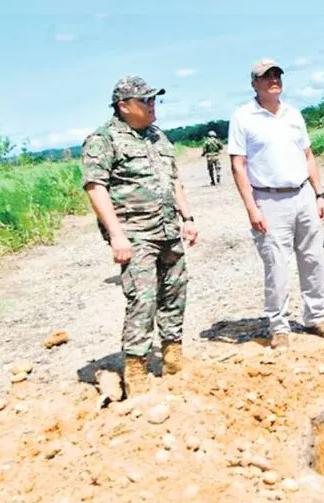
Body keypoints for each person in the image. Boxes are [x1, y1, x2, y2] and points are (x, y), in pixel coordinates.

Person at [80, 75, 198, 396]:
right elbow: (95, 186)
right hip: (136, 233)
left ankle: (172, 355)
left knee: (175, 291)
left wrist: (187, 217)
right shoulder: (104, 139)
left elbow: (174, 180)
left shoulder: (158, 136)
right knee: (142, 300)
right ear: (123, 106)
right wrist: (116, 235)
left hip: (168, 229)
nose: (151, 105)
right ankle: (136, 368)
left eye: (153, 99)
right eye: (144, 100)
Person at [227, 58, 324, 350]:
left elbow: (308, 156)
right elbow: (238, 166)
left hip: (302, 195)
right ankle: (278, 326)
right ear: (254, 84)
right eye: (266, 77)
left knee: (313, 259)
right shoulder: (243, 117)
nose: (273, 80)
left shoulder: (293, 114)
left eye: (276, 75)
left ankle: (316, 316)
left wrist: (319, 193)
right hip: (269, 198)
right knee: (276, 265)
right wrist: (252, 208)